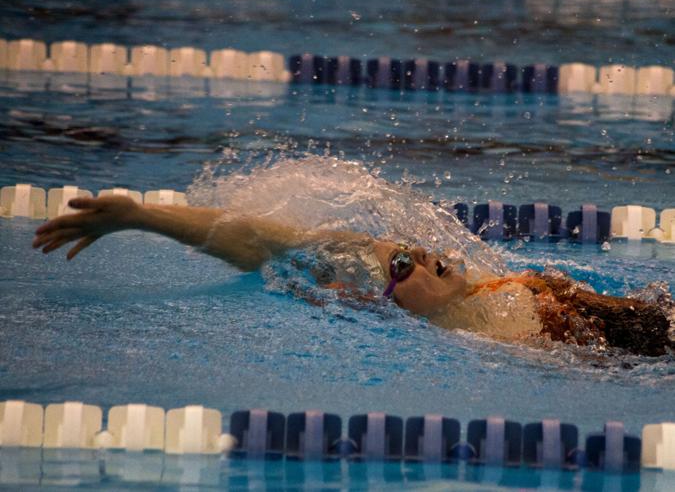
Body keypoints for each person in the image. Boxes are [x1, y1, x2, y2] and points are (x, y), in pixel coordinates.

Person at [33, 195, 672, 357]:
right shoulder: (482, 340)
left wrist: (145, 213)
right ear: (391, 302)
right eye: (403, 266)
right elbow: (255, 248)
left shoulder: (485, 290)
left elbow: (260, 234)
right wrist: (141, 218)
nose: (419, 257)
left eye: (411, 252)